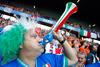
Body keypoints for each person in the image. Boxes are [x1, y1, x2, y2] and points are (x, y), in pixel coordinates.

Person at [0, 17, 77, 67]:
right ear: (20, 43)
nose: (40, 39)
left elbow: (73, 60)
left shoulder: (49, 58)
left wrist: (61, 39)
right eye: (34, 36)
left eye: (38, 36)